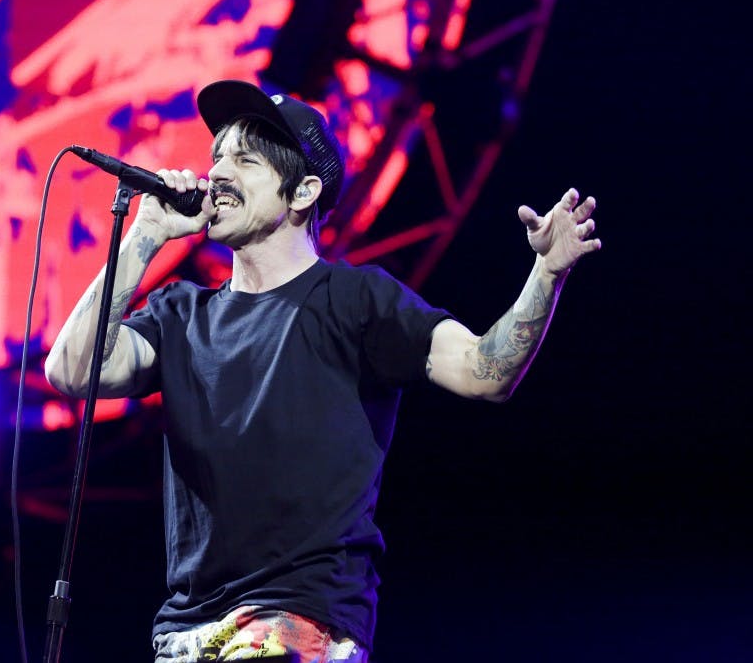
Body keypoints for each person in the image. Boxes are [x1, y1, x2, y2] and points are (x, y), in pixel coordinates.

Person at [44, 79, 601, 662]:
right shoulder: (181, 314)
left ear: (303, 192)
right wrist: (146, 236)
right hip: (184, 634)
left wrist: (546, 274)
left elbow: (485, 372)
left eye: (245, 159)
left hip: (295, 620)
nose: (218, 173)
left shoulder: (357, 299)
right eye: (216, 157)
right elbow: (73, 370)